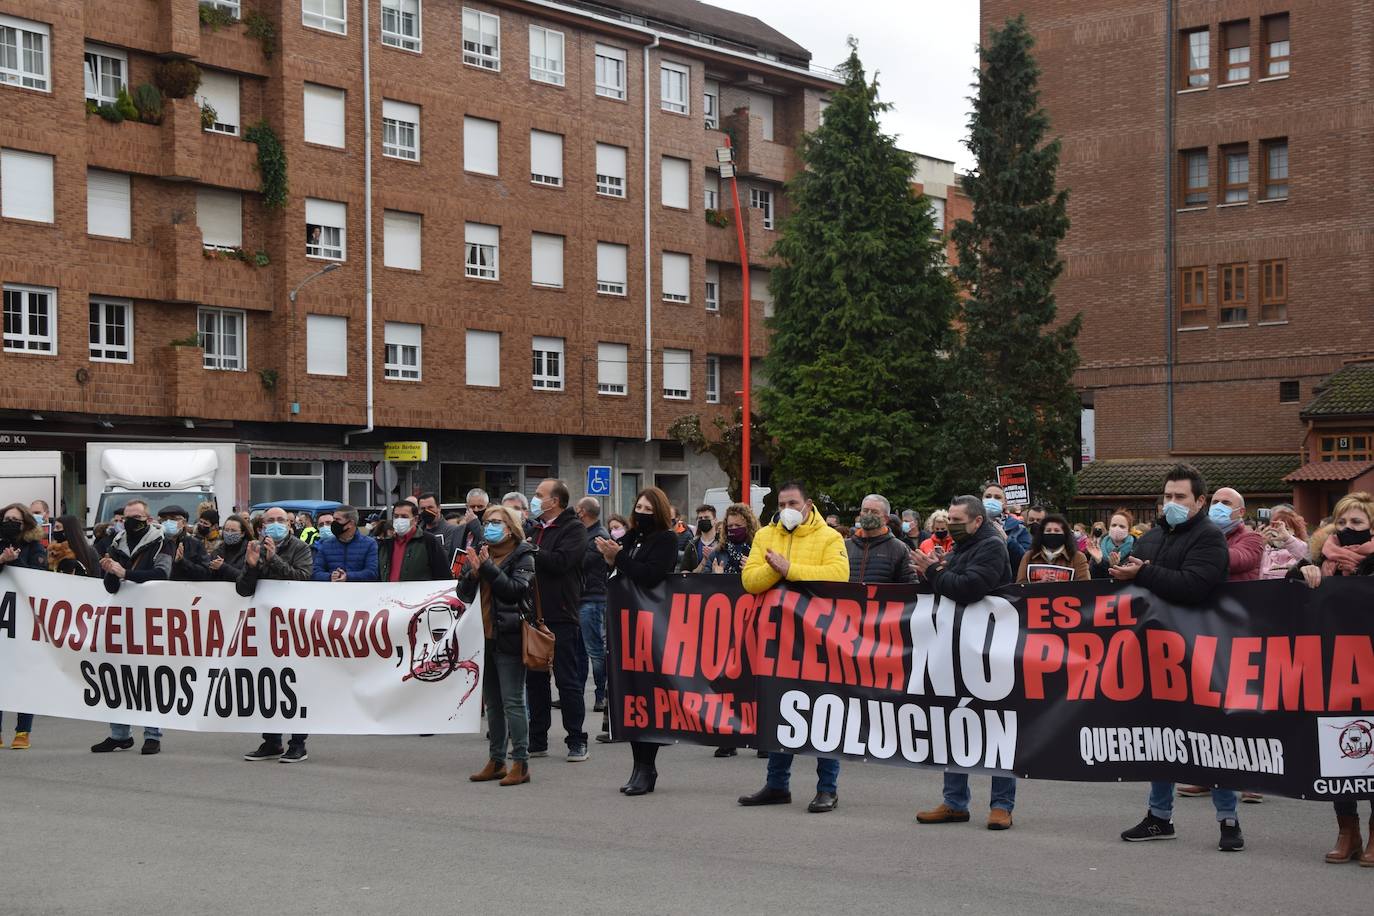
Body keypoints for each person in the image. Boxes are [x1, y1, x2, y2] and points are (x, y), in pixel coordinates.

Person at [1110, 464, 1241, 851]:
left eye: (1180, 497)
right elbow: (1134, 583)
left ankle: (1228, 819)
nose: (1172, 503)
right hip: (1155, 653)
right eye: (1167, 496)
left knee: (1210, 738)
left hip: (1201, 652)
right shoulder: (1149, 538)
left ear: (1200, 501)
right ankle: (1159, 816)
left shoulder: (1210, 539)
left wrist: (1143, 573)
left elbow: (1194, 586)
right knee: (1160, 736)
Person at [737, 481, 849, 814]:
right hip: (777, 638)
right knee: (778, 709)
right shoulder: (765, 536)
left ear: (807, 503)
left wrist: (789, 570)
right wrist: (777, 573)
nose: (787, 508)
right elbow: (750, 580)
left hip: (819, 638)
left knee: (823, 711)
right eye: (782, 502)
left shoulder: (829, 537)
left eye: (793, 502)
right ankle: (776, 784)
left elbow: (838, 575)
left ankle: (827, 788)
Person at [912, 495, 1017, 830]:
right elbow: (945, 586)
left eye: (958, 520)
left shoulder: (992, 547)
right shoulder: (961, 547)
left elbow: (969, 588)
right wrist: (929, 572)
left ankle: (1002, 805)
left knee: (996, 727)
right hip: (956, 647)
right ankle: (954, 801)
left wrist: (936, 571)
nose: (951, 525)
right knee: (953, 724)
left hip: (989, 649)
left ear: (977, 521)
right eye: (950, 519)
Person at [1285, 492, 1374, 864]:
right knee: (1341, 755)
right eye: (1342, 522)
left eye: (1357, 523)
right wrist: (1302, 572)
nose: (1349, 529)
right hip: (1334, 672)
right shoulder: (1321, 560)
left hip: (1370, 671)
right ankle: (1347, 831)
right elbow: (1283, 597)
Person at [589, 486, 681, 794]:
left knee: (649, 698)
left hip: (651, 626)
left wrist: (619, 558)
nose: (641, 513)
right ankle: (638, 766)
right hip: (625, 624)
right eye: (638, 507)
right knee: (631, 699)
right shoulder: (633, 537)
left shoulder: (666, 539)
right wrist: (610, 555)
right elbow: (614, 561)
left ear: (658, 510)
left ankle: (647, 767)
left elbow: (651, 575)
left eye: (647, 508)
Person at [464, 505, 537, 787]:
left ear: (510, 526)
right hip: (483, 636)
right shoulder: (482, 552)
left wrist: (488, 569)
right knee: (492, 704)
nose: (490, 526)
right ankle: (496, 760)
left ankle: (520, 762)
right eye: (486, 522)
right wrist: (471, 575)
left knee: (513, 702)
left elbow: (515, 591)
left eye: (496, 522)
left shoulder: (524, 554)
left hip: (510, 635)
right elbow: (462, 592)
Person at [93, 499, 170, 755]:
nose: (130, 521)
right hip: (123, 617)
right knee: (118, 675)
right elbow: (111, 588)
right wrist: (110, 572)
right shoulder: (117, 543)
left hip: (152, 617)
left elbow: (162, 575)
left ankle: (152, 734)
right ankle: (119, 734)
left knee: (150, 677)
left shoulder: (162, 542)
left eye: (135, 516)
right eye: (126, 516)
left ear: (148, 519)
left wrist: (125, 573)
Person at [239, 505, 316, 763]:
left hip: (292, 626)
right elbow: (243, 590)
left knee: (295, 684)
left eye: (280, 520)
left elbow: (303, 578)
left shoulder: (300, 548)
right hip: (264, 626)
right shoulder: (254, 546)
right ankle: (271, 741)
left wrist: (274, 560)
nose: (275, 524)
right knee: (267, 683)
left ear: (289, 524)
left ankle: (298, 743)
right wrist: (251, 566)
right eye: (270, 520)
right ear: (261, 526)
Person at [526, 479, 590, 762]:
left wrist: (531, 551)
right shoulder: (535, 528)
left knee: (567, 681)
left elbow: (561, 562)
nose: (535, 499)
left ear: (555, 501)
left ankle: (577, 740)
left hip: (561, 614)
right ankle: (537, 739)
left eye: (540, 495)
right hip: (534, 614)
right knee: (535, 680)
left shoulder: (573, 529)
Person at [1, 503, 49, 750]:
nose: (10, 522)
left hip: (25, 619)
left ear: (26, 524)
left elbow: (38, 577)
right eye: (7, 518)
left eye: (15, 520)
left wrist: (15, 561)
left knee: (23, 675)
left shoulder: (34, 547)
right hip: (2, 619)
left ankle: (23, 731)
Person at [575, 497, 611, 722]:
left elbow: (580, 563)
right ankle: (577, 692)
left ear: (582, 512)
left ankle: (601, 694)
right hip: (581, 597)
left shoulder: (598, 537)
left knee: (595, 650)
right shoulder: (587, 534)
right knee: (578, 650)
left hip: (593, 598)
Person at [847, 494, 918, 585]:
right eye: (865, 511)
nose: (868, 515)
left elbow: (909, 587)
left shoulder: (900, 549)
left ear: (886, 519)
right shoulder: (845, 546)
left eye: (874, 512)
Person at [377, 501, 450, 581]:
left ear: (415, 519)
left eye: (404, 517)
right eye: (396, 516)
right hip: (389, 592)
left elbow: (443, 574)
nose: (399, 520)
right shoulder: (385, 544)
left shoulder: (428, 541)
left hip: (419, 592)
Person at [1209, 487, 1263, 582]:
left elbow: (1237, 560)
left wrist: (1198, 550)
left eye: (1226, 503)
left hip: (1238, 595)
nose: (1218, 506)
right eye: (1215, 502)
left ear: (1241, 512)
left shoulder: (1253, 538)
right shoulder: (1201, 534)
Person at [311, 505, 378, 582]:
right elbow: (315, 572)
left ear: (350, 523)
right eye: (334, 519)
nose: (334, 523)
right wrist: (330, 577)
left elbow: (372, 573)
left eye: (337, 520)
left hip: (359, 591)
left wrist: (348, 577)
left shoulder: (369, 544)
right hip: (332, 591)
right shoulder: (326, 544)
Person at [1016, 513, 1090, 582]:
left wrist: (1058, 585)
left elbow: (1084, 587)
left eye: (1057, 530)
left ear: (1065, 534)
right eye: (1048, 530)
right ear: (1042, 534)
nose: (1052, 533)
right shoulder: (1028, 556)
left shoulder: (1078, 557)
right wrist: (1040, 584)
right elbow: (1020, 586)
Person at [158, 505, 211, 581]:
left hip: (185, 590)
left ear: (184, 523)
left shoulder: (195, 544)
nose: (168, 522)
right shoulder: (156, 543)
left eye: (173, 519)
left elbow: (205, 573)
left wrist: (182, 562)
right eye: (164, 519)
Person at [982, 483, 1029, 569]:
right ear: (982, 500)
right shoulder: (971, 525)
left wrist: (1007, 540)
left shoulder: (1018, 528)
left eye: (997, 497)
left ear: (1005, 503)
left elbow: (1025, 560)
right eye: (988, 496)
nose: (992, 500)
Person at [1258, 507, 1308, 580]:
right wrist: (1259, 544)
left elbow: (1304, 553)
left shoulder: (1299, 550)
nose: (1280, 532)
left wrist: (1288, 538)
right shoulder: (1266, 552)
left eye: (1286, 529)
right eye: (1276, 528)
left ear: (1296, 531)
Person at [1086, 509, 1135, 579]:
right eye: (1114, 525)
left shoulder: (1136, 548)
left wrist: (1116, 567)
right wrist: (1099, 562)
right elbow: (1093, 577)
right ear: (1109, 527)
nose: (1117, 528)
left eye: (1122, 526)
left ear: (1129, 530)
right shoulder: (1099, 547)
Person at [208, 514, 254, 582]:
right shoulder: (217, 551)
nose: (229, 533)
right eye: (226, 530)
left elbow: (247, 577)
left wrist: (223, 567)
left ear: (242, 533)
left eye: (233, 531)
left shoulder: (250, 551)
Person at [682, 504, 719, 571]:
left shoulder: (722, 543)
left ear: (715, 520)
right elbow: (685, 572)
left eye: (706, 517)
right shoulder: (692, 546)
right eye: (700, 518)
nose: (703, 520)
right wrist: (704, 561)